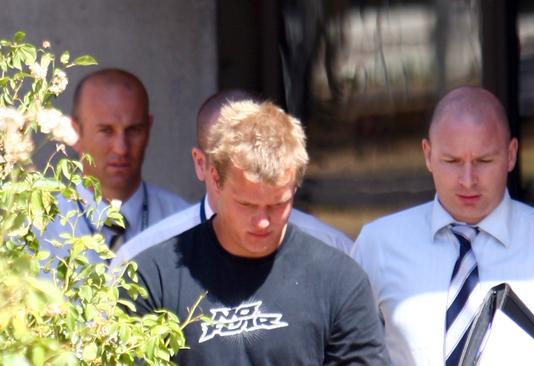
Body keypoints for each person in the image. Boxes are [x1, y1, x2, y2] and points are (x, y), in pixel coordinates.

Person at [125, 100, 388, 364]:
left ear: (295, 185)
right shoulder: (153, 277)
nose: (262, 221)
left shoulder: (339, 279)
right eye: (247, 204)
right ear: (215, 179)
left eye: (278, 204)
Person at [352, 86, 534, 365]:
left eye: (484, 161)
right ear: (427, 155)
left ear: (511, 154)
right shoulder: (377, 245)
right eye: (452, 161)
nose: (468, 179)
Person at [110, 90, 352, 268]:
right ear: (201, 164)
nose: (261, 221)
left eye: (276, 205)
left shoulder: (334, 252)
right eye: (224, 164)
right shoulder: (144, 257)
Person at [40, 68, 189, 264]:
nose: (121, 148)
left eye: (133, 130)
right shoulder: (39, 229)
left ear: (148, 128)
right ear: (75, 132)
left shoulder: (184, 225)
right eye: (106, 131)